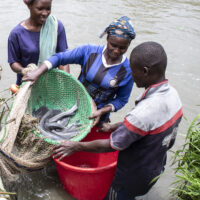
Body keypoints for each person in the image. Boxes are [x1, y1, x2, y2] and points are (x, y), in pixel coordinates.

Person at [53, 41, 183, 199]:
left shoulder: (142, 113)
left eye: (133, 70)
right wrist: (112, 127)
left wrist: (76, 146)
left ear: (145, 71)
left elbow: (111, 145)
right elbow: (151, 127)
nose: (131, 74)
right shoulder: (173, 96)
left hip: (130, 178)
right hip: (155, 169)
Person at [22, 16, 136, 126]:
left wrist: (103, 111)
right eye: (113, 45)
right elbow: (59, 58)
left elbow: (122, 99)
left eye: (122, 48)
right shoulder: (89, 51)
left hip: (99, 119)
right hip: (73, 108)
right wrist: (38, 72)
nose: (116, 51)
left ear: (128, 45)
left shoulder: (128, 70)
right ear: (107, 39)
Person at [8, 0, 69, 86]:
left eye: (48, 9)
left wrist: (66, 82)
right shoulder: (16, 34)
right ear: (29, 6)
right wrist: (23, 70)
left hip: (51, 87)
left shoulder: (56, 27)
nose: (45, 13)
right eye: (40, 9)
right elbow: (13, 62)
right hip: (27, 84)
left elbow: (64, 58)